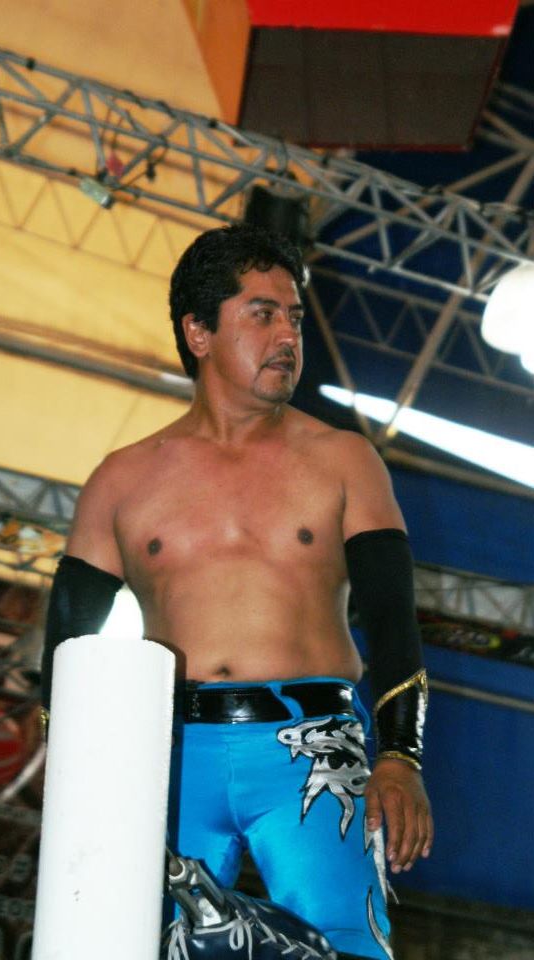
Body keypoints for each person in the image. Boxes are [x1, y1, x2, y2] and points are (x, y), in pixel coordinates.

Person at [42, 224, 433, 960]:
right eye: (262, 314)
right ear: (199, 332)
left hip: (312, 748)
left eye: (294, 317)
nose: (288, 335)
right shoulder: (121, 479)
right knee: (135, 944)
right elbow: (66, 647)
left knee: (349, 950)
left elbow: (390, 617)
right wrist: (74, 783)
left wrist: (400, 757)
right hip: (166, 752)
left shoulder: (345, 460)